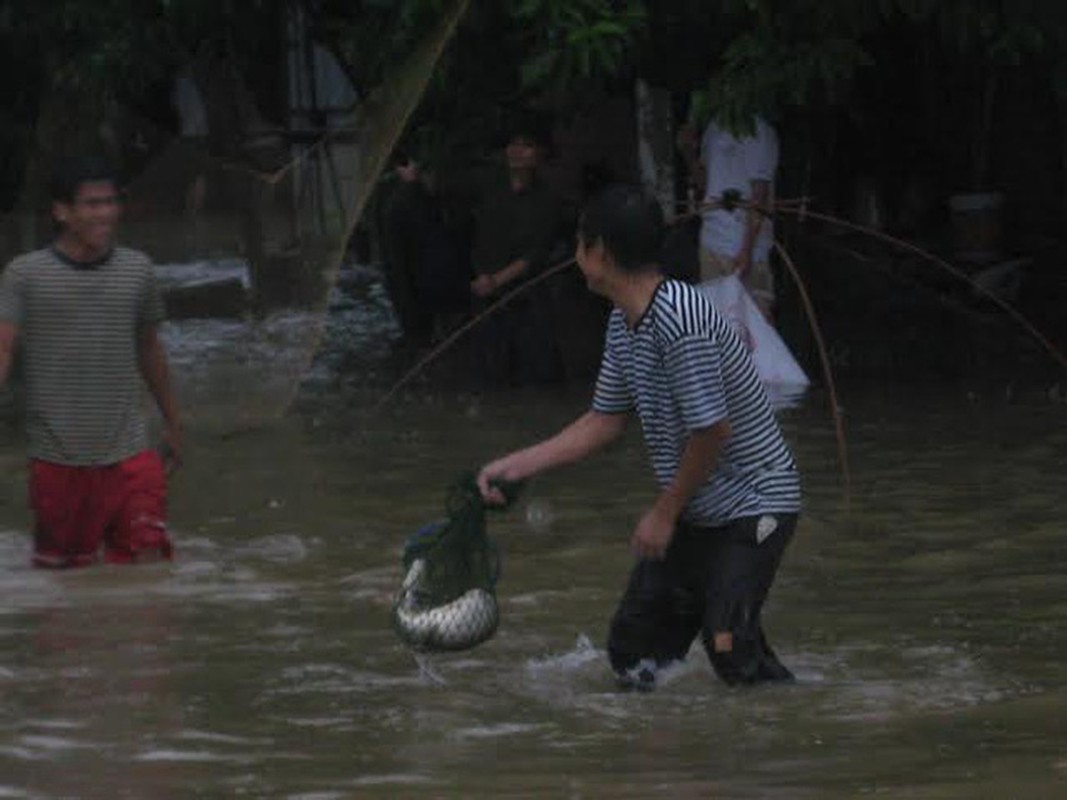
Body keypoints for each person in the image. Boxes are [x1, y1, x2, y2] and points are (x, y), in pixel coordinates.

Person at [476, 185, 801, 690]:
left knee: (728, 643)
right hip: (698, 506)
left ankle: (796, 732)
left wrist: (664, 512)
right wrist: (517, 466)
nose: (577, 256)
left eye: (581, 245)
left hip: (756, 504)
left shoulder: (680, 322)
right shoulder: (625, 322)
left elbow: (713, 431)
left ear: (599, 252)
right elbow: (604, 421)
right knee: (634, 652)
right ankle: (659, 759)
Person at [0, 155, 183, 568]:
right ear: (62, 212)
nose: (105, 213)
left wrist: (173, 423)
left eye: (110, 202)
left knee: (149, 562)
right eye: (92, 204)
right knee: (65, 577)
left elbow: (149, 349)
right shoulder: (25, 275)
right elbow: (3, 348)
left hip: (130, 450)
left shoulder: (137, 270)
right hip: (58, 456)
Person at [467, 114, 563, 386]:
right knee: (490, 374)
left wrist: (496, 280)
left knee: (538, 375)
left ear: (540, 154)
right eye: (513, 145)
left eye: (526, 145)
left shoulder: (548, 200)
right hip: (486, 295)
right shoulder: (489, 189)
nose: (517, 152)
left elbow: (534, 255)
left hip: (526, 296)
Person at [680, 114, 779, 321]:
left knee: (754, 328)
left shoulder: (760, 131)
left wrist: (747, 250)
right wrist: (688, 152)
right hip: (712, 241)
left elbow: (759, 196)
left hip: (747, 248)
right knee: (715, 325)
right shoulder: (714, 127)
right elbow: (707, 184)